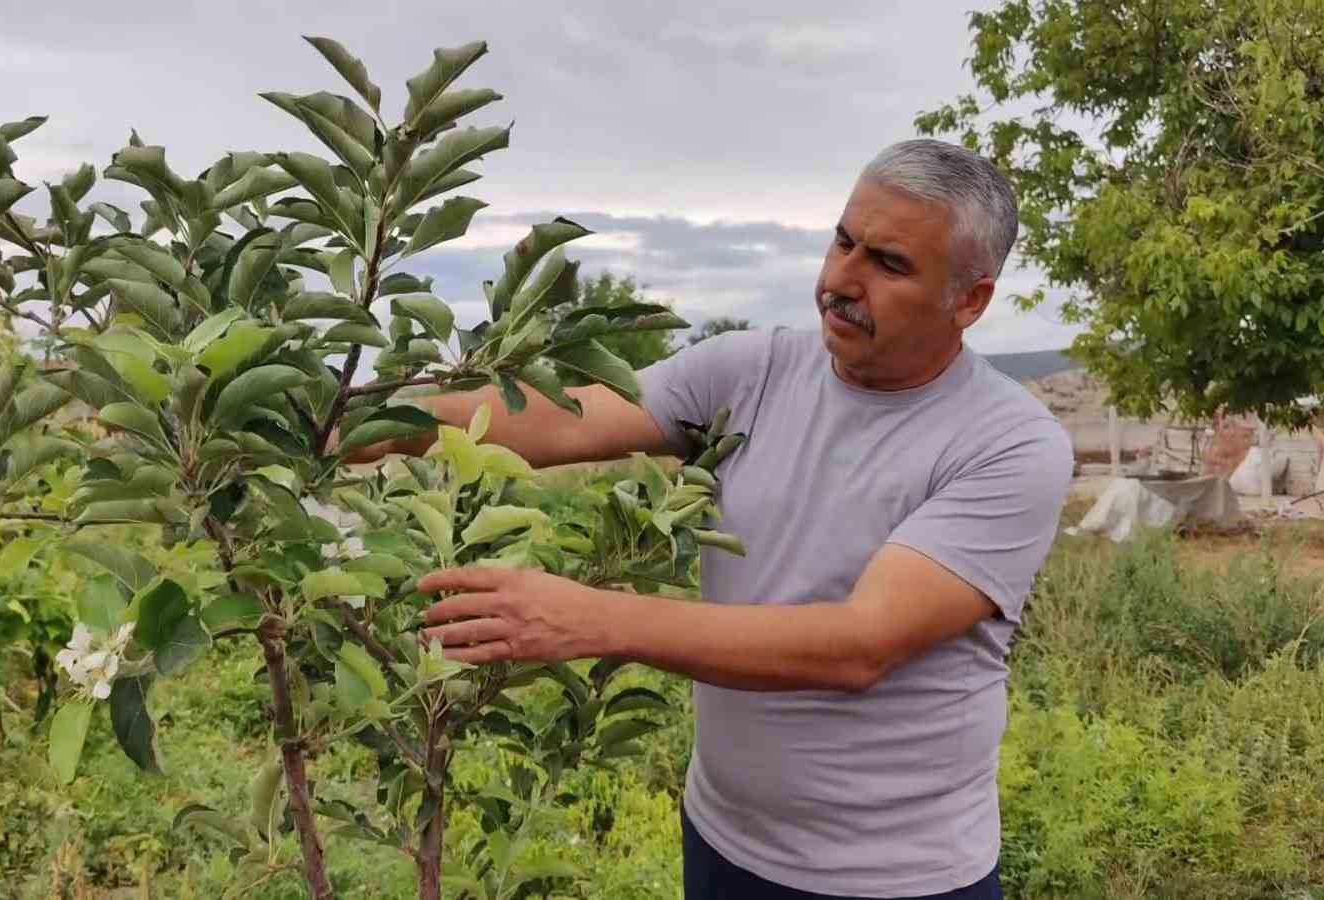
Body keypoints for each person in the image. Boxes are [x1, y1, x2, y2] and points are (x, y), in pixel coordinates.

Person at [354, 139, 1073, 900]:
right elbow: (564, 422)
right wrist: (386, 421)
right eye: (841, 241)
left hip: (897, 878)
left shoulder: (1011, 445)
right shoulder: (750, 370)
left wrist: (591, 618)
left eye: (889, 264)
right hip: (724, 842)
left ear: (970, 300)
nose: (840, 280)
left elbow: (859, 645)